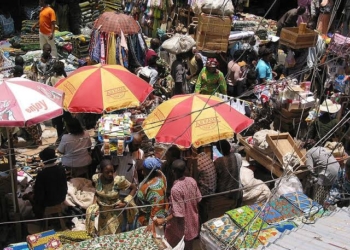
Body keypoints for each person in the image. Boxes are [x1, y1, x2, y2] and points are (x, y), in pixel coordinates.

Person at [154, 159, 202, 250]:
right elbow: (198, 199)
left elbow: (178, 213)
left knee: (179, 245)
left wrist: (164, 220)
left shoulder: (176, 189)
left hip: (182, 226)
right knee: (188, 245)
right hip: (193, 220)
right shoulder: (192, 181)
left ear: (173, 171)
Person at [89, 159, 137, 236]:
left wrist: (125, 203)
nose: (110, 174)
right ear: (101, 171)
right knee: (102, 235)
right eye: (107, 172)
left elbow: (134, 188)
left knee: (114, 235)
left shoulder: (118, 180)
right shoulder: (96, 179)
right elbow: (97, 193)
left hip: (115, 213)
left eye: (112, 171)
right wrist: (94, 205)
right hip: (103, 214)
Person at [24, 147, 67, 218]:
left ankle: (39, 215)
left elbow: (39, 194)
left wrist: (30, 195)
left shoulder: (42, 174)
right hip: (61, 197)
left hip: (48, 201)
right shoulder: (61, 169)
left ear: (43, 160)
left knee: (27, 195)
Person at [136, 157, 168, 230]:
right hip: (142, 215)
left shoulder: (154, 188)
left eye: (144, 170)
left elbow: (157, 208)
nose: (142, 172)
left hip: (147, 221)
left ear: (150, 171)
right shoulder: (159, 173)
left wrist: (151, 225)